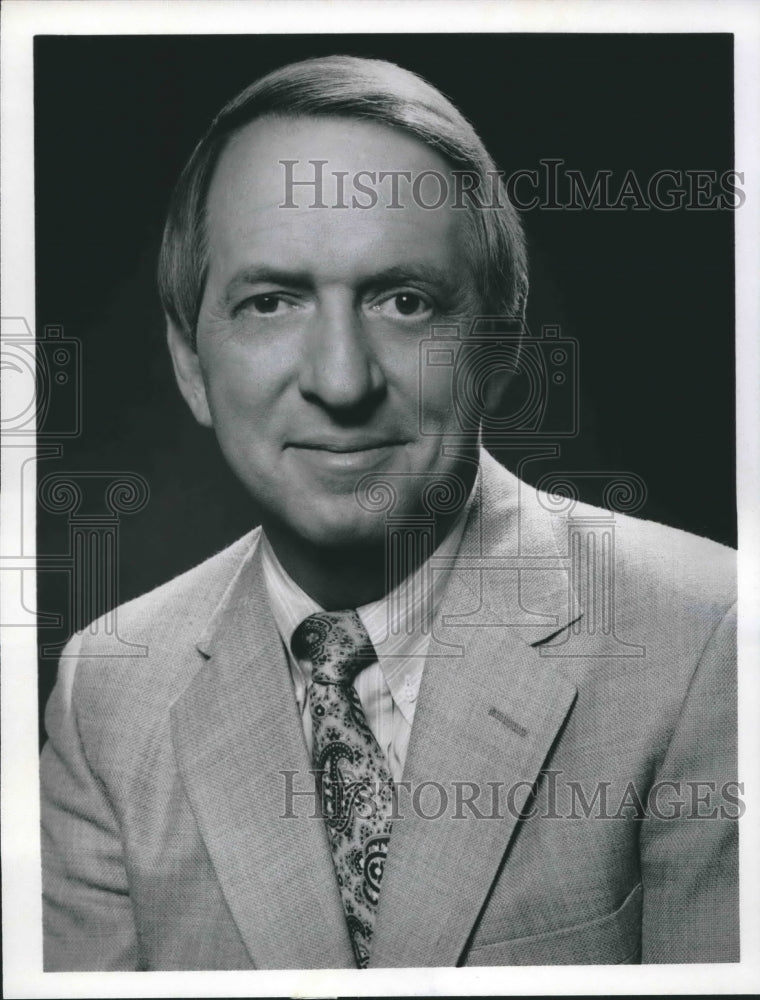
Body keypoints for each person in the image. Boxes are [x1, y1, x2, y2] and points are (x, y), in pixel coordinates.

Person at [40, 55, 738, 970]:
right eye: (271, 301)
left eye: (404, 302)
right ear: (188, 364)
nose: (340, 381)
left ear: (499, 341)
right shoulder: (109, 689)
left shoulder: (710, 639)